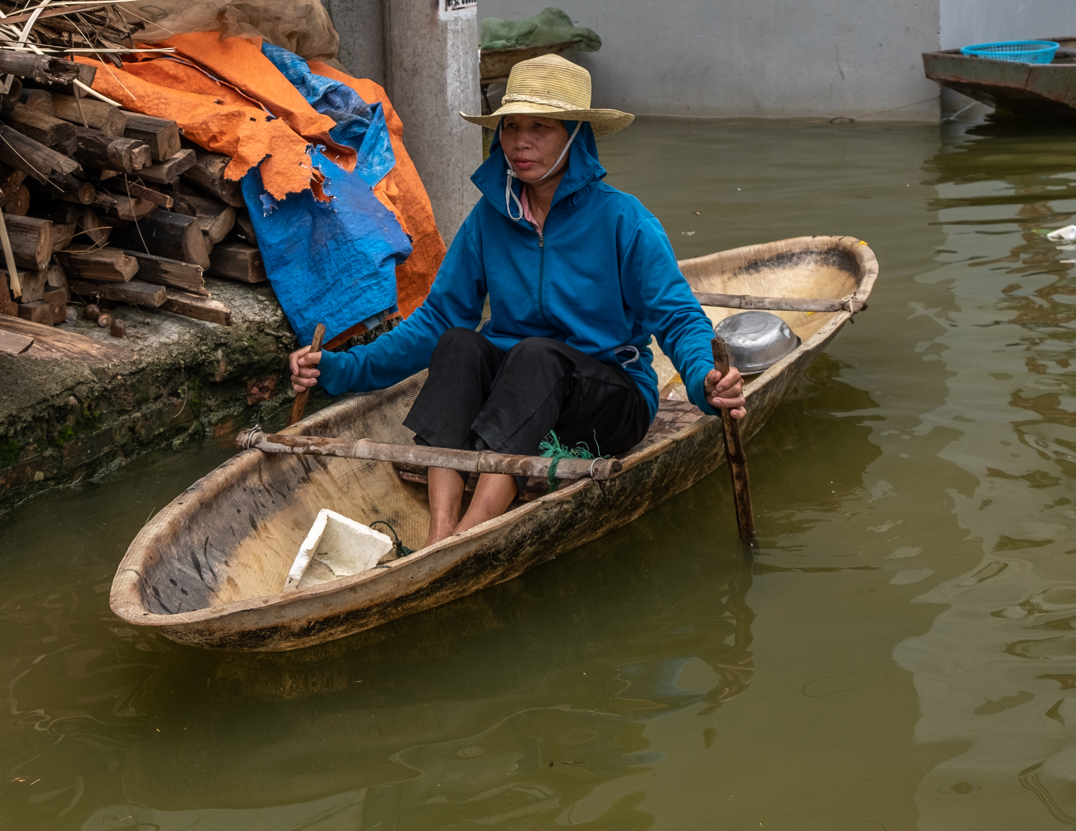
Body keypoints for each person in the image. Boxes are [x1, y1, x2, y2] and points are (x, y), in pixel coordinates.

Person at [287, 55, 744, 546]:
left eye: (540, 128)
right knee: (459, 343)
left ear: (574, 135)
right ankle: (440, 529)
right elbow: (438, 318)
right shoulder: (488, 220)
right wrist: (340, 369)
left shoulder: (624, 221)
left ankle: (470, 534)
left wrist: (704, 381)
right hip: (519, 392)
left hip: (608, 399)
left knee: (534, 354)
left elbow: (677, 318)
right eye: (511, 127)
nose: (520, 142)